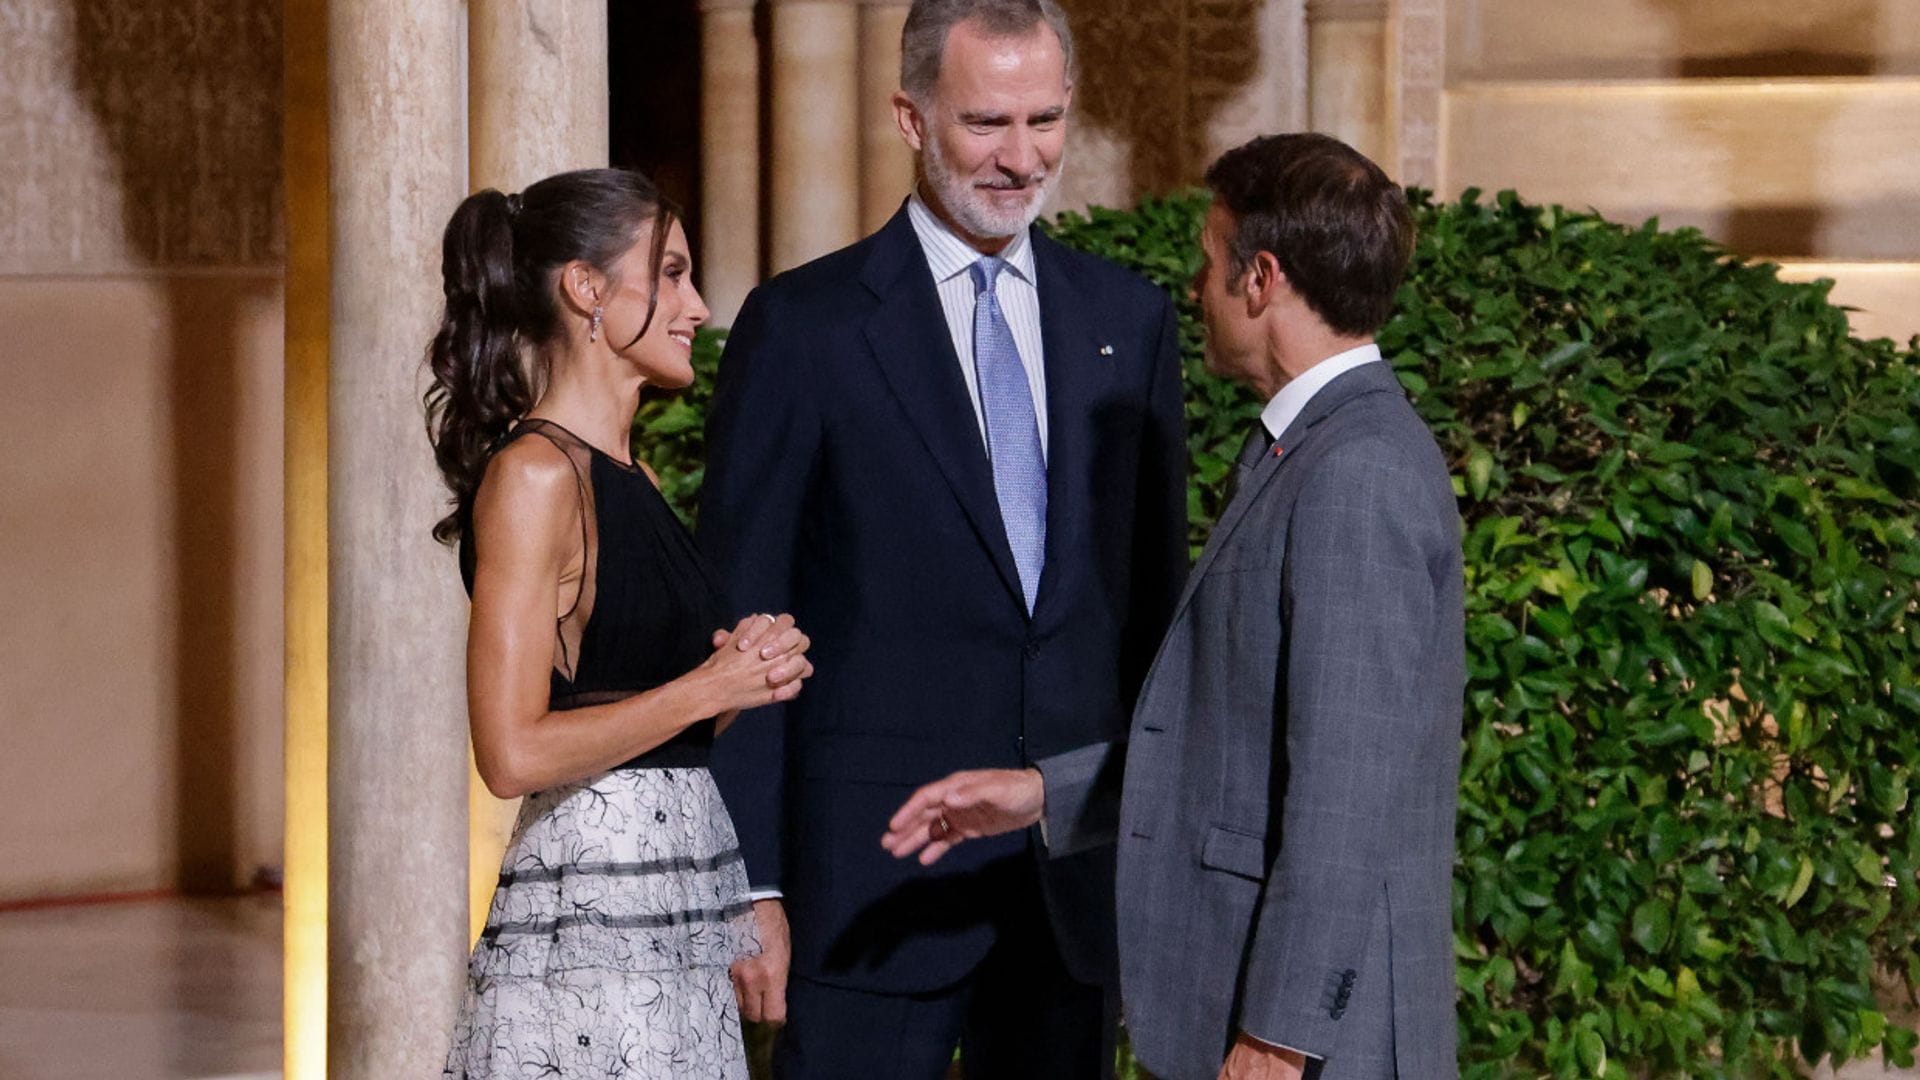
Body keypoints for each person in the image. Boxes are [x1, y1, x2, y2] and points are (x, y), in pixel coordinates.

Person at [887, 132, 1465, 1080]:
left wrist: (1277, 1038)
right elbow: (1232, 746)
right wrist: (1040, 797)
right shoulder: (1309, 448)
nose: (1197, 290)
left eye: (1209, 261)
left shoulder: (1357, 469)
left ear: (1261, 277)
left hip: (1311, 1046)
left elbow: (1345, 793)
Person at [697, 0, 1189, 1074]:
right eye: (987, 124)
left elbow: (1155, 624)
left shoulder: (1132, 323)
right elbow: (744, 624)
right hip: (863, 899)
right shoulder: (804, 326)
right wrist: (753, 885)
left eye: (1046, 119)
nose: (1023, 158)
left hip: (1067, 900)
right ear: (910, 118)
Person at [424, 168, 815, 1080]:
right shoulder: (535, 476)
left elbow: (650, 730)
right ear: (586, 289)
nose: (700, 306)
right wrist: (706, 687)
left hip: (670, 914)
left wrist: (746, 678)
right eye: (671, 274)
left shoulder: (629, 479)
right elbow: (512, 752)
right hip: (590, 927)